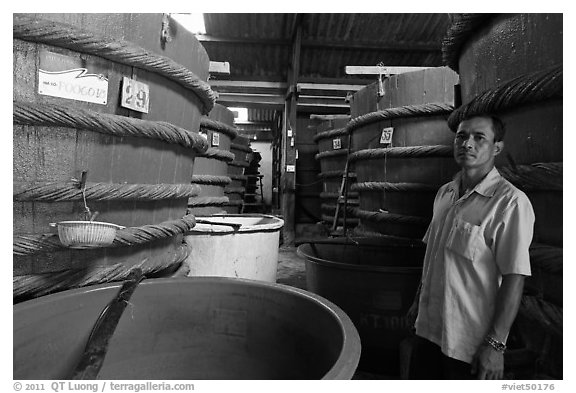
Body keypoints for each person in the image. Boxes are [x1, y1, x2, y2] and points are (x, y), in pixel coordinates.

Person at [406, 114, 535, 380]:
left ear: (496, 148)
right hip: (428, 330)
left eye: (479, 137)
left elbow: (515, 277)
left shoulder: (510, 203)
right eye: (462, 136)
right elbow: (433, 256)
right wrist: (418, 301)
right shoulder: (444, 194)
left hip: (468, 343)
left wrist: (496, 345)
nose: (467, 144)